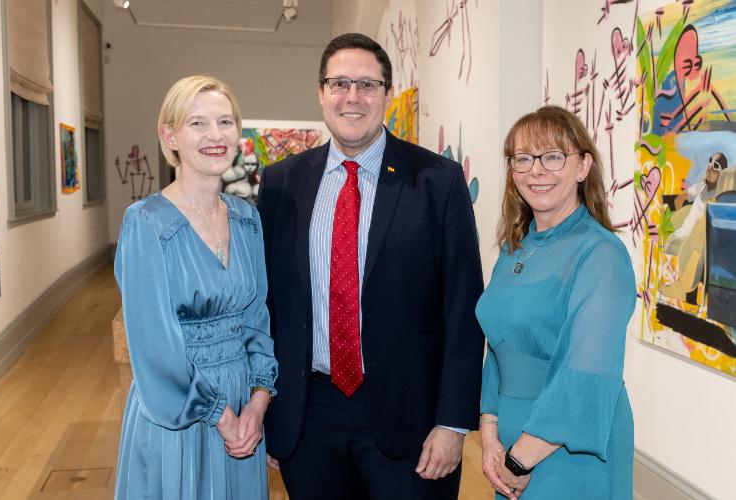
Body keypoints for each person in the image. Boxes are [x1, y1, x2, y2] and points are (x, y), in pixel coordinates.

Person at [257, 33, 484, 499]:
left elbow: (463, 308)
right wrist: (271, 412)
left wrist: (453, 422)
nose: (352, 97)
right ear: (321, 92)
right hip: (309, 416)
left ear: (386, 94)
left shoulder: (437, 182)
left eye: (367, 84)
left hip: (413, 421)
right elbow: (267, 305)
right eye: (340, 83)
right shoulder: (282, 184)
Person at [114, 75, 277, 499]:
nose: (215, 135)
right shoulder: (145, 223)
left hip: (243, 408)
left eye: (225, 122)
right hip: (181, 410)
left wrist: (257, 404)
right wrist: (219, 415)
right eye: (197, 124)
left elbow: (257, 319)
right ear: (169, 135)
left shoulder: (247, 219)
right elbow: (153, 347)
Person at [477, 106, 636, 499]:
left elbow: (586, 375)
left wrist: (520, 459)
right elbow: (498, 344)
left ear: (583, 166)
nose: (536, 171)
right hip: (512, 440)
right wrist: (490, 431)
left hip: (567, 445)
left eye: (553, 157)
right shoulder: (515, 248)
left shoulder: (600, 254)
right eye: (523, 159)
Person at [671, 152, 728, 239]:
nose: (710, 167)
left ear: (722, 173)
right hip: (682, 236)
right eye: (710, 161)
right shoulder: (701, 186)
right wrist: (680, 222)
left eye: (715, 165)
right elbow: (679, 199)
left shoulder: (721, 196)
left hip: (699, 244)